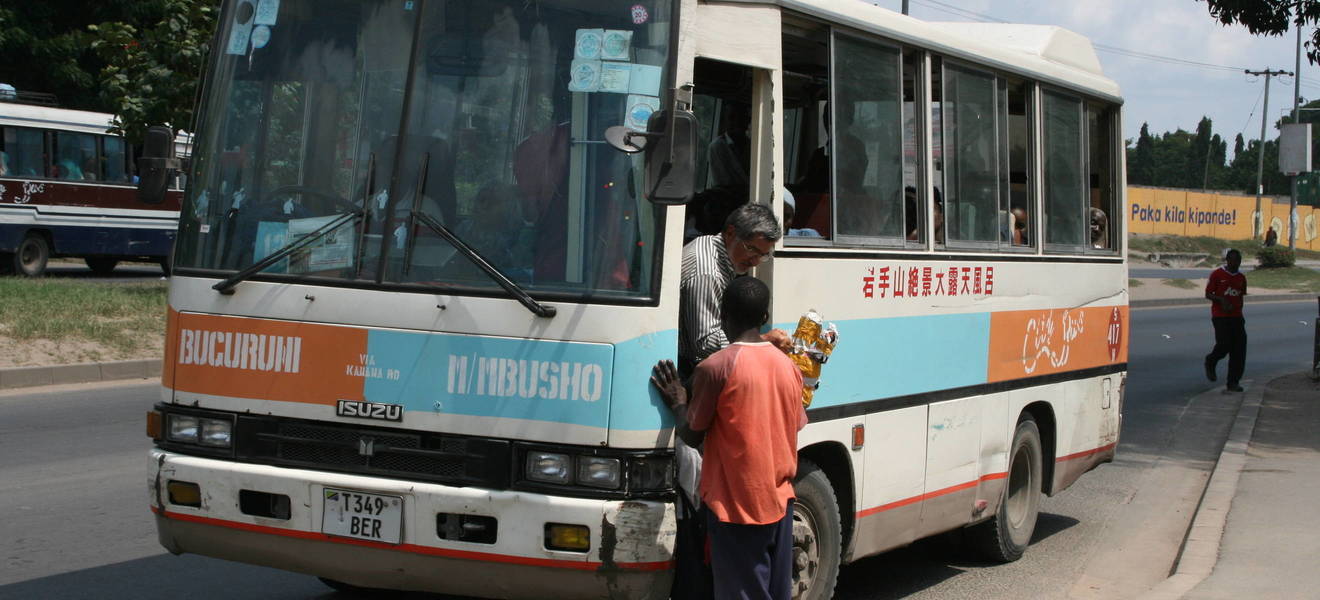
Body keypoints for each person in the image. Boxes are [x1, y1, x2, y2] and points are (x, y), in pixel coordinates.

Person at [652, 276, 806, 600]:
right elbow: (794, 424)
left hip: (737, 506)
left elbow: (691, 434)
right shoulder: (789, 367)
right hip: (780, 500)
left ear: (722, 315)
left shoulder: (715, 368)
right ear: (765, 317)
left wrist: (679, 402)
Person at [1204, 248, 1247, 392]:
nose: (1235, 263)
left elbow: (1241, 296)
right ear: (1227, 260)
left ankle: (1233, 382)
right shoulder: (1217, 274)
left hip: (1237, 317)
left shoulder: (1241, 277)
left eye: (1238, 261)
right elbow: (1208, 294)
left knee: (1239, 349)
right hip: (1220, 316)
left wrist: (1238, 311)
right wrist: (1221, 300)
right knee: (1224, 345)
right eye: (1232, 260)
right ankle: (1211, 360)